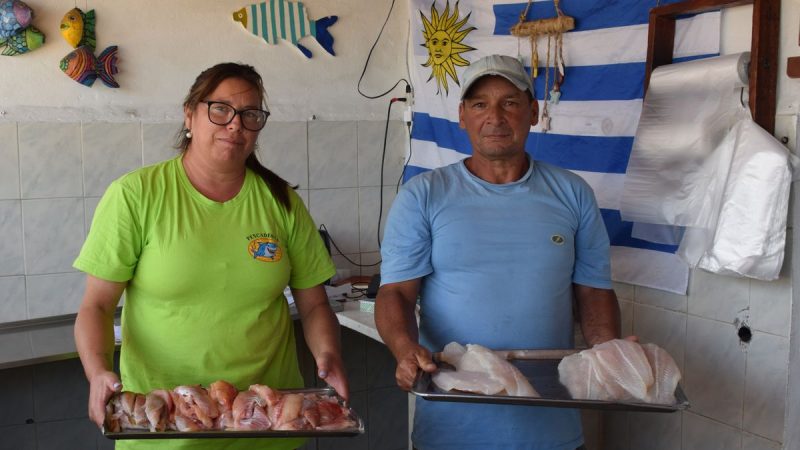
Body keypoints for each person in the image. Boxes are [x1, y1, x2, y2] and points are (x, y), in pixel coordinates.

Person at [73, 62, 348, 450]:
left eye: (250, 114)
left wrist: (328, 355)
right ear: (190, 114)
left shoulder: (281, 201)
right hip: (165, 426)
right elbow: (96, 307)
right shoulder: (135, 196)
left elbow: (315, 303)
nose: (235, 125)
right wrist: (98, 372)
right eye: (220, 109)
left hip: (267, 426)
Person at [375, 54, 621, 450]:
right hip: (452, 428)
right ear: (462, 115)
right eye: (479, 104)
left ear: (533, 112)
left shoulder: (573, 193)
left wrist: (611, 354)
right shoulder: (423, 195)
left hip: (550, 429)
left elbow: (593, 292)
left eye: (509, 102)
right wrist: (405, 350)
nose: (495, 116)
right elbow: (396, 294)